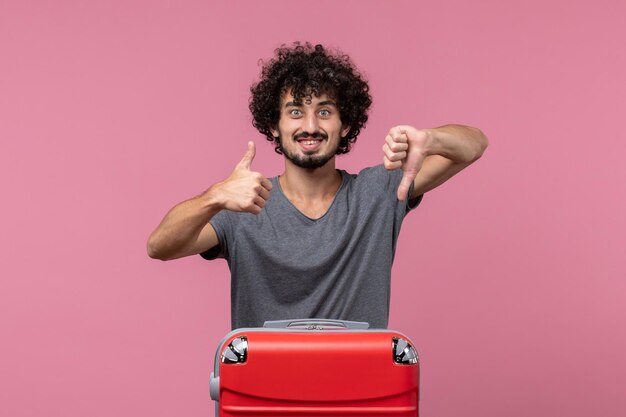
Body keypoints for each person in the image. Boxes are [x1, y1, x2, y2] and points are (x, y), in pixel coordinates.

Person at [147, 43, 488, 329]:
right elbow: (159, 246)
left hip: (359, 395)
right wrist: (215, 196)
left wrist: (430, 139)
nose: (310, 126)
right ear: (274, 126)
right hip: (263, 395)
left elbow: (475, 145)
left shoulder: (378, 192)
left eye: (324, 112)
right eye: (295, 112)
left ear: (346, 123)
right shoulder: (245, 202)